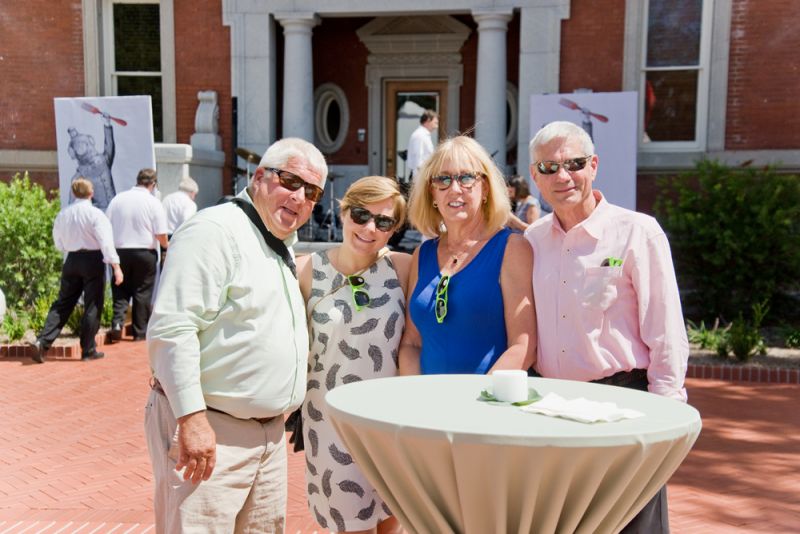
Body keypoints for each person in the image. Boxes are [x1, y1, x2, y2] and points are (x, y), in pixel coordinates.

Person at [145, 138, 327, 533]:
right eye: (291, 181)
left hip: (268, 438)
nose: (299, 197)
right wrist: (191, 419)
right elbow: (173, 328)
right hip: (211, 432)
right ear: (259, 177)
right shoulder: (215, 231)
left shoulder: (276, 242)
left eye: (311, 192)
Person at [525, 120, 689, 533]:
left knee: (632, 526)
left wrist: (665, 414)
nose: (562, 176)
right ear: (535, 177)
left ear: (594, 165)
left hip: (624, 408)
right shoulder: (532, 239)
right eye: (548, 168)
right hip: (551, 410)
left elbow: (666, 329)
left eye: (574, 163)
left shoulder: (637, 231)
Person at [296, 175, 410, 534]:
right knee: (350, 525)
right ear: (343, 212)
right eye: (361, 214)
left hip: (390, 423)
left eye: (384, 221)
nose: (369, 227)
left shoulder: (404, 268)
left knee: (393, 520)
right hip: (331, 424)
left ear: (394, 229)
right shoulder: (307, 270)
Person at [398, 135, 536, 376]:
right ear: (432, 193)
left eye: (466, 177)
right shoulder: (423, 254)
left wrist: (478, 401)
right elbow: (412, 342)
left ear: (485, 188)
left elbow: (523, 347)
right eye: (443, 179)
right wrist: (413, 398)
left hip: (487, 405)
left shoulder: (511, 248)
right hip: (423, 407)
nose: (454, 189)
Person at [28, 178, 123, 363]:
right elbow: (106, 242)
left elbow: (58, 242)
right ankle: (88, 349)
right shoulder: (96, 214)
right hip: (92, 259)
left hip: (72, 259)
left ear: (73, 193)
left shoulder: (63, 214)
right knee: (92, 304)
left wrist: (70, 247)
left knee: (63, 303)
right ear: (91, 193)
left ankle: (42, 341)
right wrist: (116, 267)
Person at [105, 168, 168, 342]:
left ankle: (117, 323)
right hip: (144, 252)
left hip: (121, 251)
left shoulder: (118, 199)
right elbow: (161, 233)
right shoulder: (153, 202)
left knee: (120, 289)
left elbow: (106, 225)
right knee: (142, 292)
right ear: (153, 184)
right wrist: (166, 246)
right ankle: (139, 331)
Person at [67, 112, 117, 210]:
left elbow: (109, 145)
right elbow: (72, 205)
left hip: (115, 211)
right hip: (99, 215)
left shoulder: (103, 161)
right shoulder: (79, 177)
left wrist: (107, 125)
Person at [405, 109, 438, 182]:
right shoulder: (420, 135)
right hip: (420, 177)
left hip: (422, 176)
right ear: (428, 120)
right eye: (435, 123)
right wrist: (421, 181)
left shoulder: (423, 135)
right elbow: (418, 160)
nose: (436, 126)